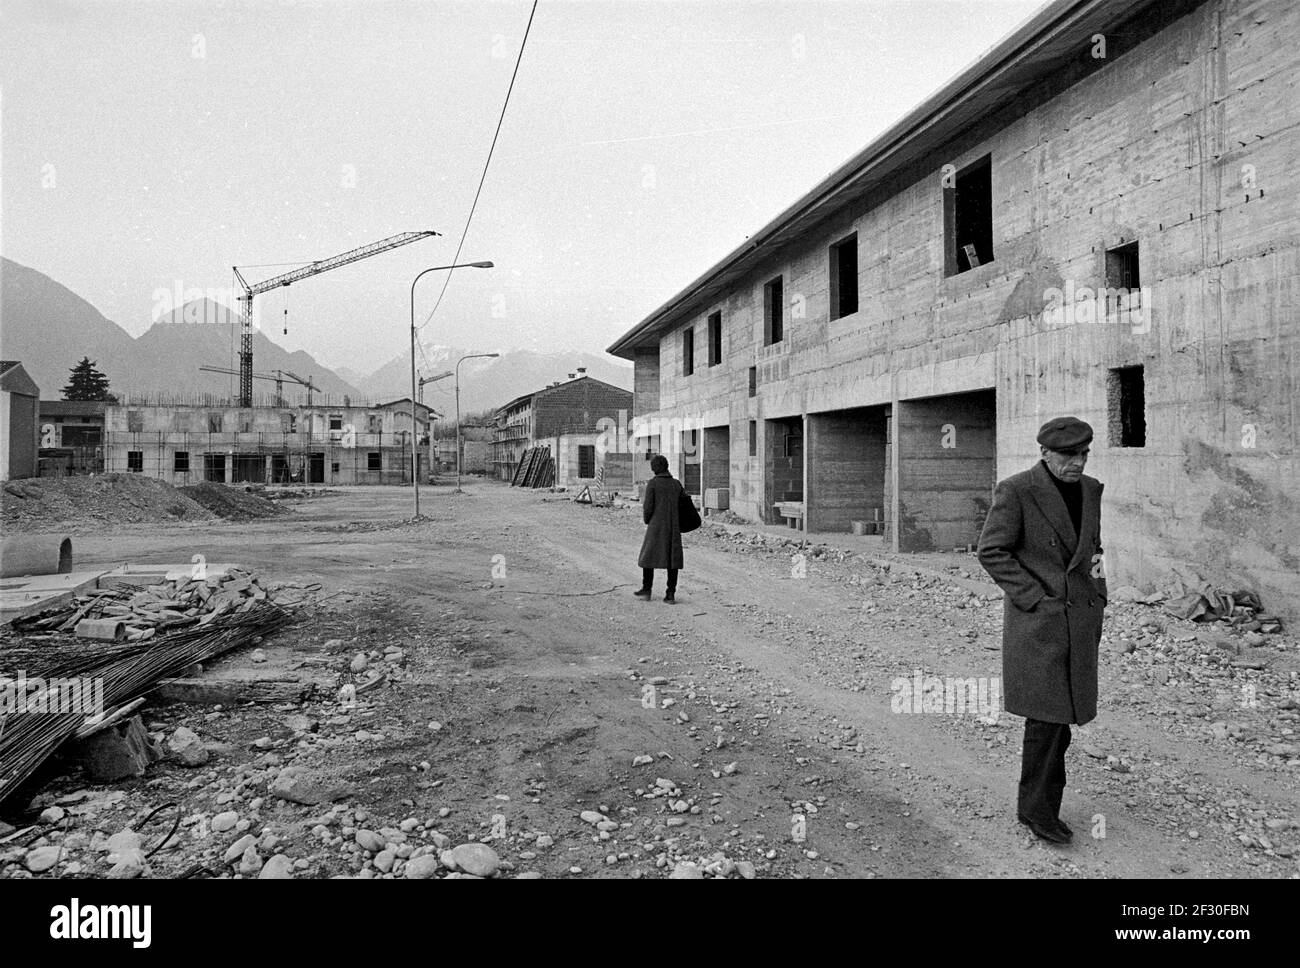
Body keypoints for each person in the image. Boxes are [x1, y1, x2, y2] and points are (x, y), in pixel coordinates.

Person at [976, 416, 1107, 845]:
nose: (1077, 463)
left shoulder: (1090, 491)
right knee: (1046, 720)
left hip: (1081, 619)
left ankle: (1042, 805)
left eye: (1084, 454)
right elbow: (992, 550)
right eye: (1069, 455)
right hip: (1040, 623)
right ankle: (1037, 811)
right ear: (1045, 453)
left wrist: (1100, 596)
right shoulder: (1016, 490)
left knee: (1064, 718)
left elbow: (1095, 551)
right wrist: (1034, 597)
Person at [635, 454, 684, 603]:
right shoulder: (676, 484)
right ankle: (670, 594)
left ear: (655, 468)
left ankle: (646, 589)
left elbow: (648, 507)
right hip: (673, 527)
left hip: (656, 526)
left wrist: (647, 520)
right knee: (672, 561)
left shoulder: (653, 484)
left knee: (648, 558)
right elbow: (684, 506)